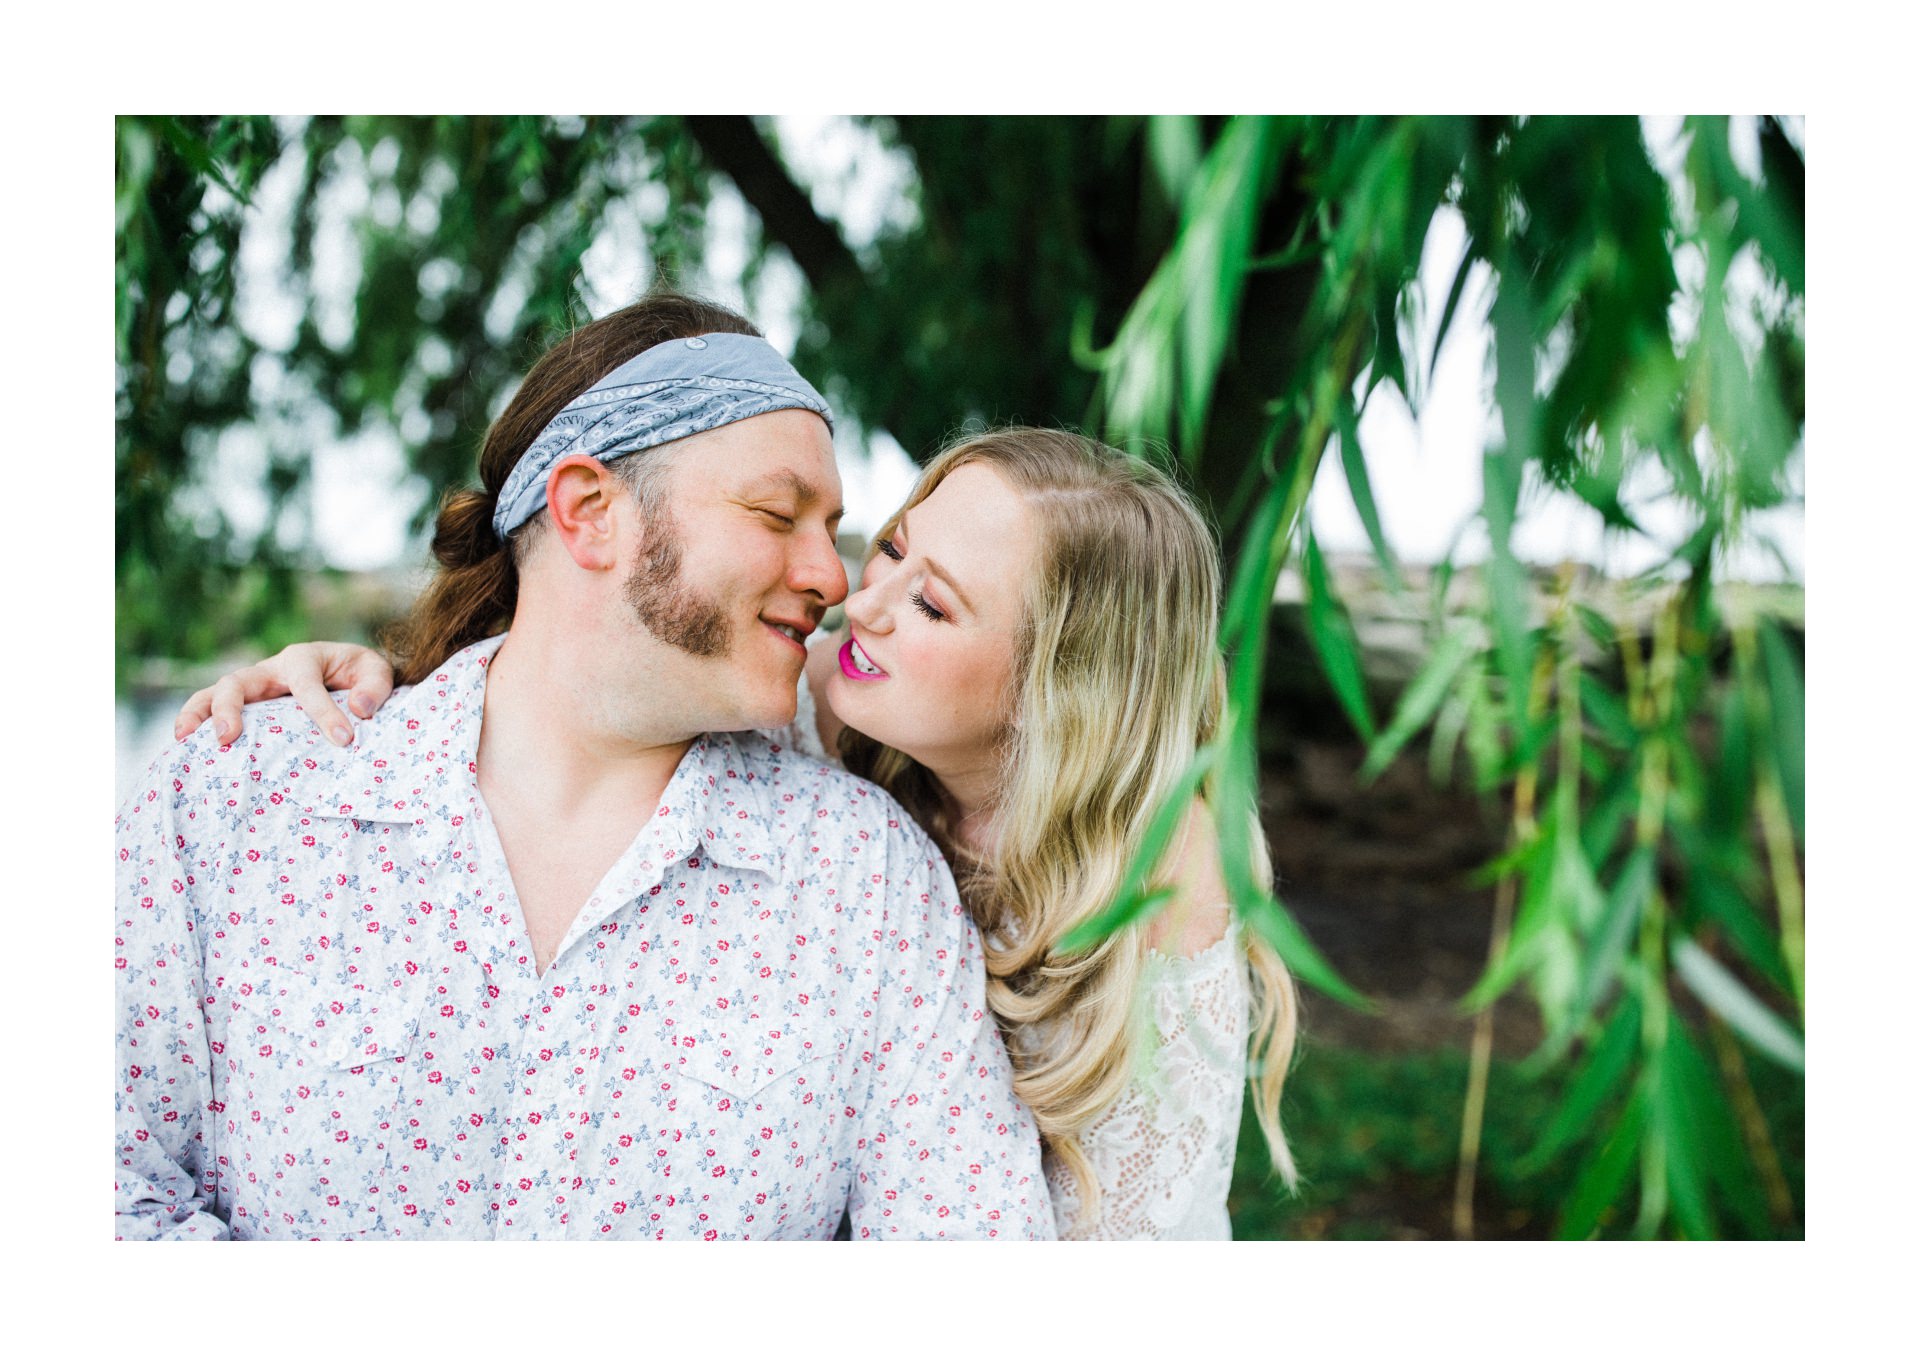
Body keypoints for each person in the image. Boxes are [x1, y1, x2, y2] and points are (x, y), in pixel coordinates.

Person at [185, 425, 1302, 1239]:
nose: (861, 604)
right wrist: (381, 687)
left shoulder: (1157, 870)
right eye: (894, 549)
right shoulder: (814, 699)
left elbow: (1131, 1238)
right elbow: (583, 681)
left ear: (1066, 683)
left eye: (934, 603)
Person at [116, 293, 1054, 1241]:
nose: (836, 577)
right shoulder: (237, 798)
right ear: (590, 512)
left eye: (835, 527)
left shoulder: (870, 884)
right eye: (779, 514)